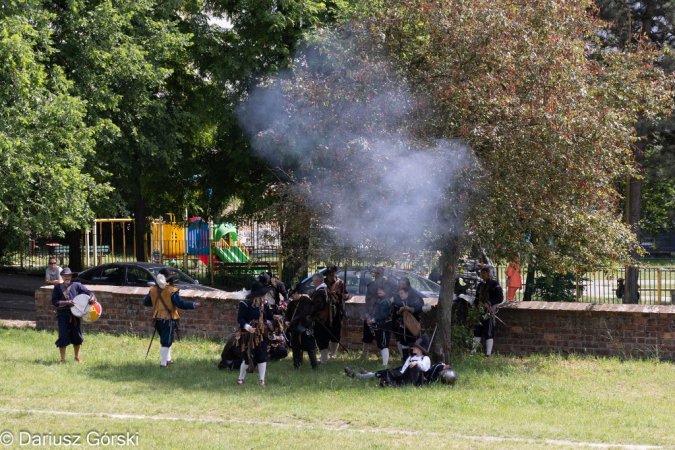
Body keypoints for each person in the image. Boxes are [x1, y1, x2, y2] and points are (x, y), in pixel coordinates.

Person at [143, 268, 200, 368]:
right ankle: (163, 364)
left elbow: (146, 302)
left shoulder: (152, 290)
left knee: (165, 339)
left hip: (157, 318)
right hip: (168, 319)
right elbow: (180, 304)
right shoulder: (171, 291)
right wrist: (193, 304)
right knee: (166, 341)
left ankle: (168, 359)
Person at [344, 335, 433, 387]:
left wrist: (416, 363)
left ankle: (360, 375)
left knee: (386, 373)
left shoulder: (425, 359)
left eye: (416, 347)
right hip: (402, 373)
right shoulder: (410, 357)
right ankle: (362, 375)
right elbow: (403, 370)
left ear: (421, 350)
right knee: (385, 372)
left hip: (410, 379)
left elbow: (425, 368)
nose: (413, 348)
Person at [237, 280, 279, 386]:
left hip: (261, 334)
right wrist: (247, 327)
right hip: (248, 335)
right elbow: (240, 319)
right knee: (247, 357)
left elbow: (268, 315)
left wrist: (274, 316)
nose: (264, 295)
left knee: (262, 356)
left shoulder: (264, 304)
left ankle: (261, 380)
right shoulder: (245, 304)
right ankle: (240, 379)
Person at [51, 268, 96, 363]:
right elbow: (55, 302)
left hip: (75, 315)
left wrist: (92, 297)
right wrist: (67, 303)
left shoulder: (77, 285)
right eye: (65, 275)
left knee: (77, 336)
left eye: (69, 275)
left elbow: (90, 292)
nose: (67, 277)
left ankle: (77, 357)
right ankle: (62, 359)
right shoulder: (58, 287)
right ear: (62, 276)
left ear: (71, 276)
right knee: (63, 336)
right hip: (62, 314)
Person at [362, 267, 395, 359]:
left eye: (378, 273)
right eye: (375, 273)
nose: (376, 275)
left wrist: (387, 282)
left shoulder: (387, 284)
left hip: (381, 313)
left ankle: (383, 357)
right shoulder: (371, 285)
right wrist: (367, 313)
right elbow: (367, 300)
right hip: (371, 311)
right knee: (367, 334)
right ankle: (364, 354)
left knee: (382, 337)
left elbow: (394, 291)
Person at [284, 284, 320, 369]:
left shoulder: (306, 301)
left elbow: (303, 314)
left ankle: (314, 366)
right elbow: (288, 314)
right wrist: (286, 321)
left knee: (310, 348)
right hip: (294, 328)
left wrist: (293, 321)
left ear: (297, 293)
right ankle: (296, 365)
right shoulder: (291, 303)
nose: (292, 297)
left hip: (305, 327)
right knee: (295, 348)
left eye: (293, 295)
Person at [473, 266, 503, 357]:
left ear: (489, 274)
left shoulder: (495, 284)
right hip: (480, 311)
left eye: (484, 273)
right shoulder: (480, 285)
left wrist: (489, 303)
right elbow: (477, 298)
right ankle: (473, 350)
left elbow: (500, 298)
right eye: (482, 273)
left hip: (490, 312)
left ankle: (488, 353)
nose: (482, 275)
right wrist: (475, 305)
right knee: (477, 330)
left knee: (489, 331)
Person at [324, 265, 350, 360]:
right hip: (325, 311)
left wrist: (346, 296)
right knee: (325, 332)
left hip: (337, 310)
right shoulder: (323, 283)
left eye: (332, 273)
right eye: (329, 273)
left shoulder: (341, 283)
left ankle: (333, 354)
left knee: (336, 332)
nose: (331, 275)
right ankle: (325, 353)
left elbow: (346, 294)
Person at [392, 286, 424, 363]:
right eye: (399, 293)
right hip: (403, 325)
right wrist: (400, 311)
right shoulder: (398, 301)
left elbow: (419, 309)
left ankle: (413, 359)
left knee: (413, 341)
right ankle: (405, 360)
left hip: (413, 324)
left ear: (407, 293)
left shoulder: (414, 299)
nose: (400, 295)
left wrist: (410, 309)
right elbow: (395, 314)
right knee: (403, 341)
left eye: (402, 293)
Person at [364, 286, 394, 366]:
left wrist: (373, 320)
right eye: (378, 289)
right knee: (381, 343)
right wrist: (370, 318)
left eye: (381, 289)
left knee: (384, 344)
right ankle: (384, 363)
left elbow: (383, 315)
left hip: (384, 325)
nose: (379, 291)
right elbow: (375, 312)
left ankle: (385, 364)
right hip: (379, 324)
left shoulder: (385, 301)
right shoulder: (379, 300)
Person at [311, 273, 336, 364]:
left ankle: (324, 360)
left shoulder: (321, 291)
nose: (313, 283)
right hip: (323, 319)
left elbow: (318, 306)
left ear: (317, 281)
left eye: (313, 281)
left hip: (321, 319)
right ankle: (323, 359)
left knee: (322, 339)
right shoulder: (324, 289)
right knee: (322, 338)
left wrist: (309, 311)